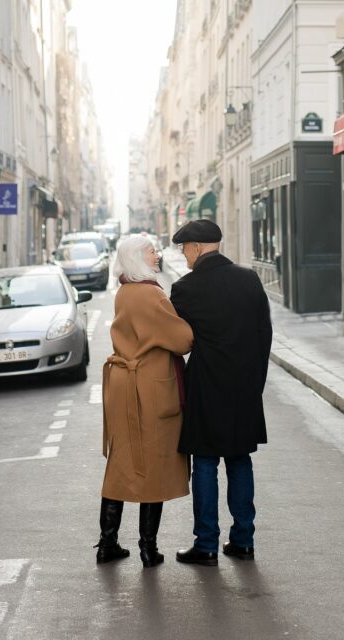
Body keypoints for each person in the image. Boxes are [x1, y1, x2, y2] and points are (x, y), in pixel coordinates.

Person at [170, 219, 272, 566]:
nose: (184, 255)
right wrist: (255, 383)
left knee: (206, 463)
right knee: (240, 460)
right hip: (244, 387)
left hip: (207, 387)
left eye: (185, 249)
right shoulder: (249, 279)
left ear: (197, 248)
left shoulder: (185, 289)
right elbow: (264, 334)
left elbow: (178, 342)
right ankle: (243, 541)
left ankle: (207, 545)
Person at [96, 234, 193, 568]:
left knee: (121, 461)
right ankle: (148, 549)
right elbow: (183, 340)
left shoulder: (124, 291)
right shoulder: (151, 295)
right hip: (148, 386)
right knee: (154, 463)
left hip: (122, 385)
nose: (157, 255)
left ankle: (107, 542)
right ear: (138, 257)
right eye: (152, 251)